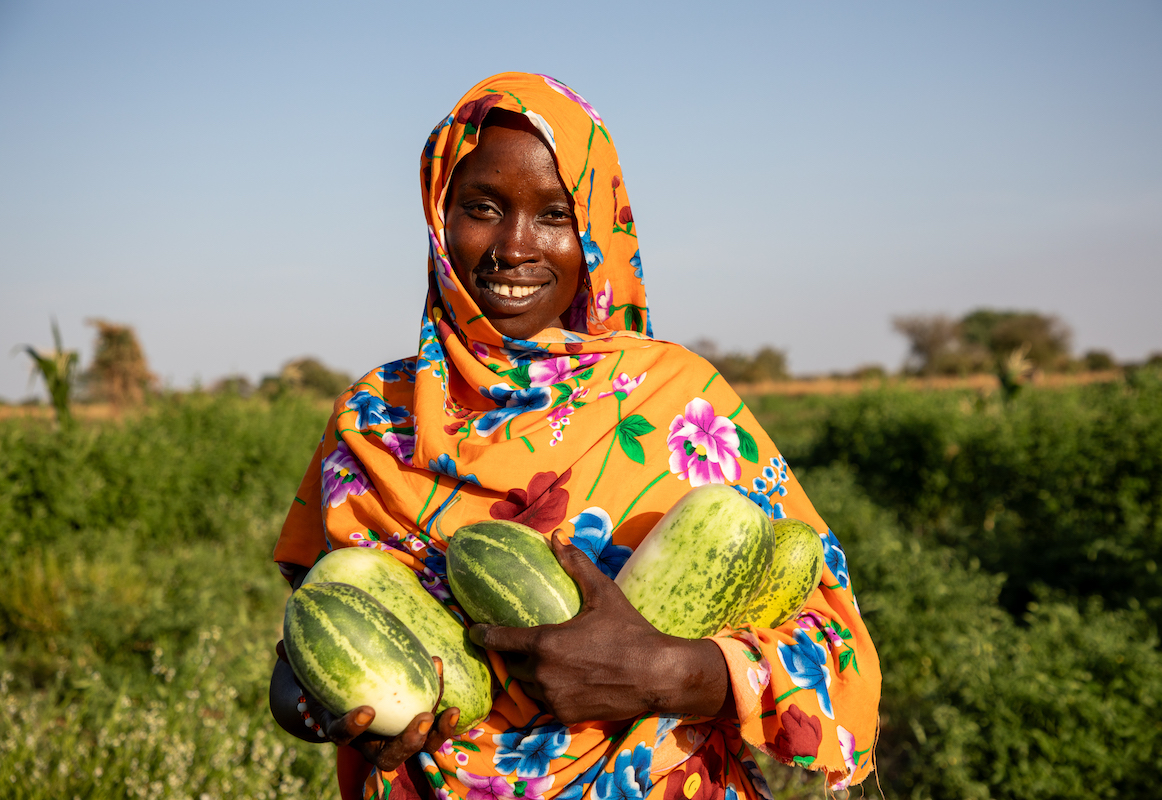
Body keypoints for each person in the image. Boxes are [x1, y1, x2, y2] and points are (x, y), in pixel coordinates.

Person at [270, 72, 881, 800]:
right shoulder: (374, 417)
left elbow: (835, 643)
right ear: (440, 219)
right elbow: (307, 646)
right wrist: (327, 708)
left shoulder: (679, 400)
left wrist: (667, 674)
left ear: (596, 232)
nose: (514, 247)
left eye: (555, 215)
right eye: (482, 208)